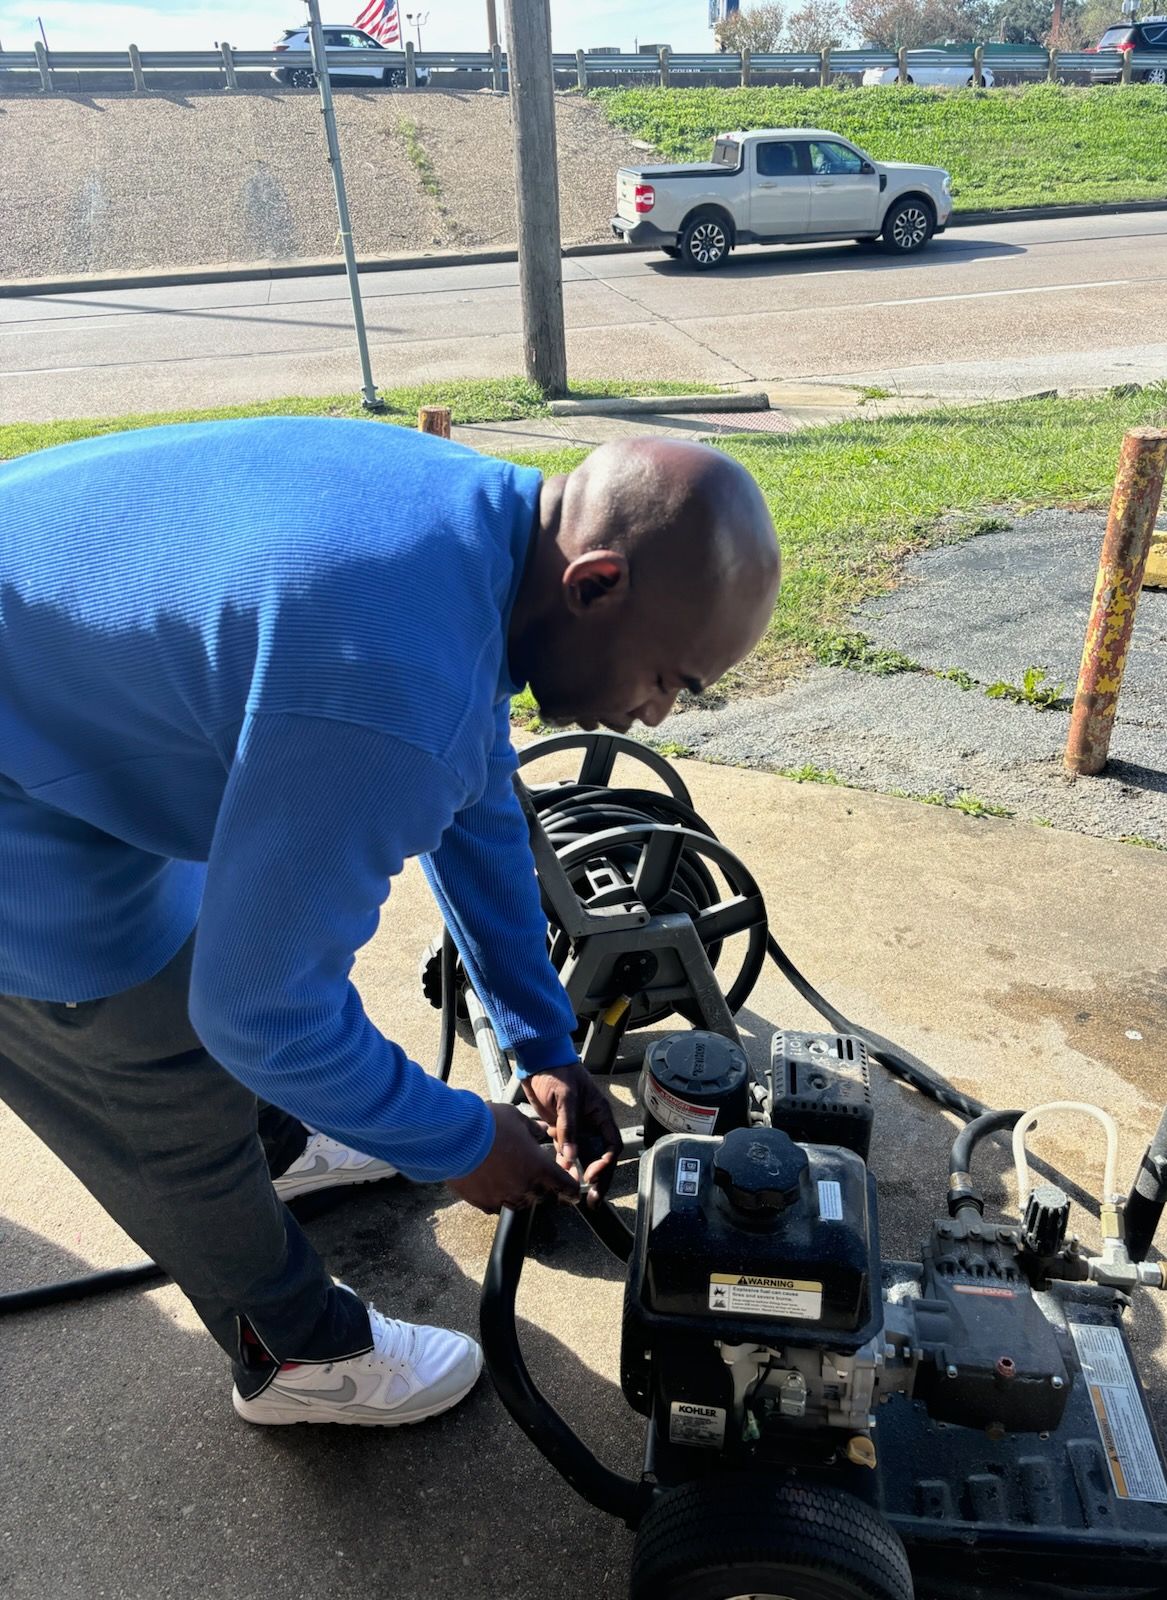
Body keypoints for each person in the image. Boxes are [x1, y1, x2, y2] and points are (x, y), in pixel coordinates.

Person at [0, 419, 780, 1428]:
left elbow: (480, 797)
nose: (659, 713)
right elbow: (261, 1014)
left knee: (211, 926)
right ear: (593, 585)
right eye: (672, 677)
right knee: (138, 1047)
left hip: (47, 673)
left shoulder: (483, 527)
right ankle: (292, 1355)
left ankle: (278, 1142)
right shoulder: (389, 683)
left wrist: (539, 1040)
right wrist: (461, 1141)